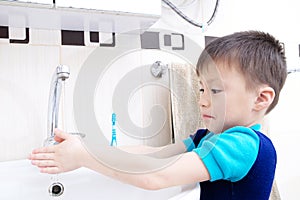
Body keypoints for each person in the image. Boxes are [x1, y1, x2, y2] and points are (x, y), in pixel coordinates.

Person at [29, 30, 287, 200]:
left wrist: (85, 157)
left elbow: (157, 176)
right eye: (200, 88)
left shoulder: (242, 144)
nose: (202, 100)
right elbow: (154, 154)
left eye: (215, 90)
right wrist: (91, 149)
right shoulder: (208, 137)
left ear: (261, 99)